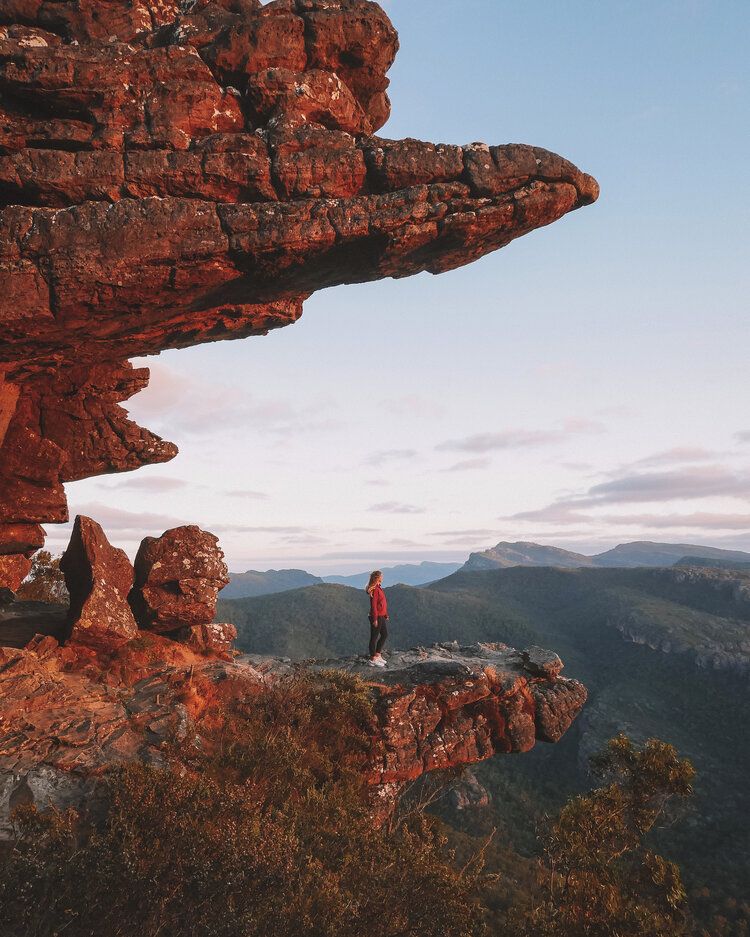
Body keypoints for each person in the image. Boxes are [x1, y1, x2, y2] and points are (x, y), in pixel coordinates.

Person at [365, 570, 389, 667]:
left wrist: (385, 614)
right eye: (381, 576)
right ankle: (372, 659)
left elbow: (382, 604)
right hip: (376, 616)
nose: (382, 577)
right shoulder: (375, 590)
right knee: (374, 638)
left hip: (381, 615)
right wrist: (374, 619)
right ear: (377, 578)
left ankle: (378, 654)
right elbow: (374, 605)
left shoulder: (379, 588)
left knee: (384, 634)